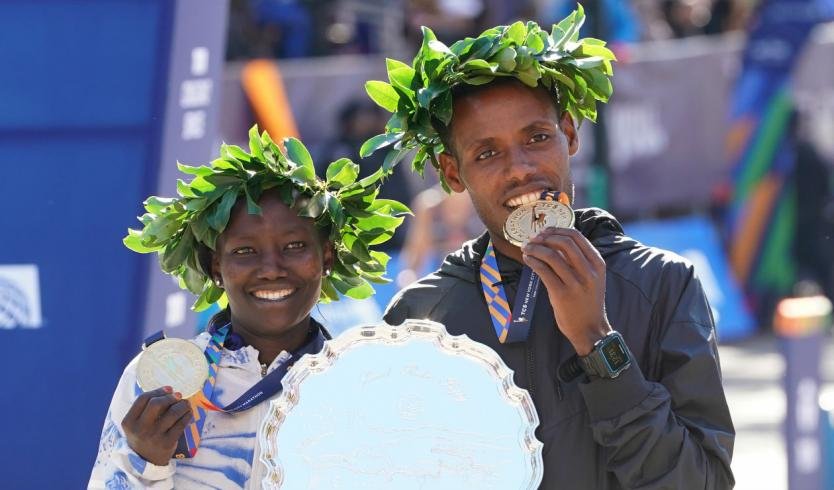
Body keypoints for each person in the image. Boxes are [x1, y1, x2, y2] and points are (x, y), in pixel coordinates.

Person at [364, 7, 735, 489]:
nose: (519, 169)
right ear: (452, 173)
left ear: (571, 134)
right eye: (487, 153)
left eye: (537, 137)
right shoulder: (422, 317)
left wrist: (597, 344)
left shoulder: (662, 284)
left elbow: (701, 482)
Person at [89, 127, 406, 489]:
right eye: (244, 251)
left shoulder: (362, 385)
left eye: (294, 246)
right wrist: (144, 463)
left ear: (327, 258)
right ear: (216, 268)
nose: (271, 269)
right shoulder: (162, 381)